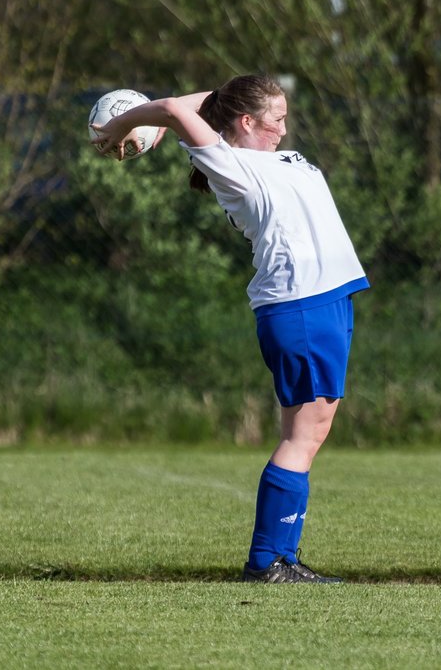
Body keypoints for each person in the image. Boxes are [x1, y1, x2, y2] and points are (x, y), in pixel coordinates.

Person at [90, 74, 369, 584]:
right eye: (276, 120)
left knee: (309, 433)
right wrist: (120, 126)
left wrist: (226, 98)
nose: (284, 130)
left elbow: (205, 102)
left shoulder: (268, 156)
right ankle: (267, 563)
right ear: (247, 123)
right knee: (304, 436)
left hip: (325, 299)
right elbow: (177, 108)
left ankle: (283, 558)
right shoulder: (230, 163)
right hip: (300, 303)